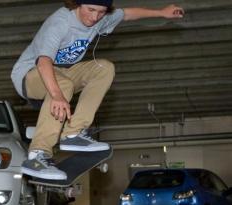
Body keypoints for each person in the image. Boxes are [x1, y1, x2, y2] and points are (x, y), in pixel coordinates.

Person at [11, 0, 184, 180]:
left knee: (104, 67)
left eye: (100, 12)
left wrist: (162, 13)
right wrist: (56, 95)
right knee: (63, 85)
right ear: (77, 4)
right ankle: (37, 155)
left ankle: (74, 133)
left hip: (64, 72)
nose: (94, 17)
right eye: (90, 10)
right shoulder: (60, 22)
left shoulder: (102, 18)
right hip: (30, 75)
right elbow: (43, 61)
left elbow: (127, 14)